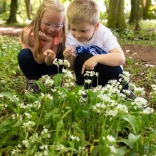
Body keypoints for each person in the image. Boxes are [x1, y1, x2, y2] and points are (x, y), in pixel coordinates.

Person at [63, 0, 135, 99]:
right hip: (88, 76)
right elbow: (71, 67)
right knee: (81, 57)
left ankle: (125, 93)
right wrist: (68, 57)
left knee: (115, 69)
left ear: (96, 26)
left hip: (110, 75)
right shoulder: (71, 38)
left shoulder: (103, 33)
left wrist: (96, 59)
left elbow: (120, 58)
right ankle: (83, 93)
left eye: (83, 31)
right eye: (73, 29)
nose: (77, 35)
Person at [18, 0, 66, 93]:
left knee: (62, 52)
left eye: (57, 25)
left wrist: (50, 57)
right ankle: (33, 83)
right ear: (39, 18)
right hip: (33, 67)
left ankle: (56, 82)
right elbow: (38, 60)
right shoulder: (28, 33)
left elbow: (48, 63)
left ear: (62, 24)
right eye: (47, 23)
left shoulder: (59, 34)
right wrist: (49, 42)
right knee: (24, 54)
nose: (52, 29)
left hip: (49, 66)